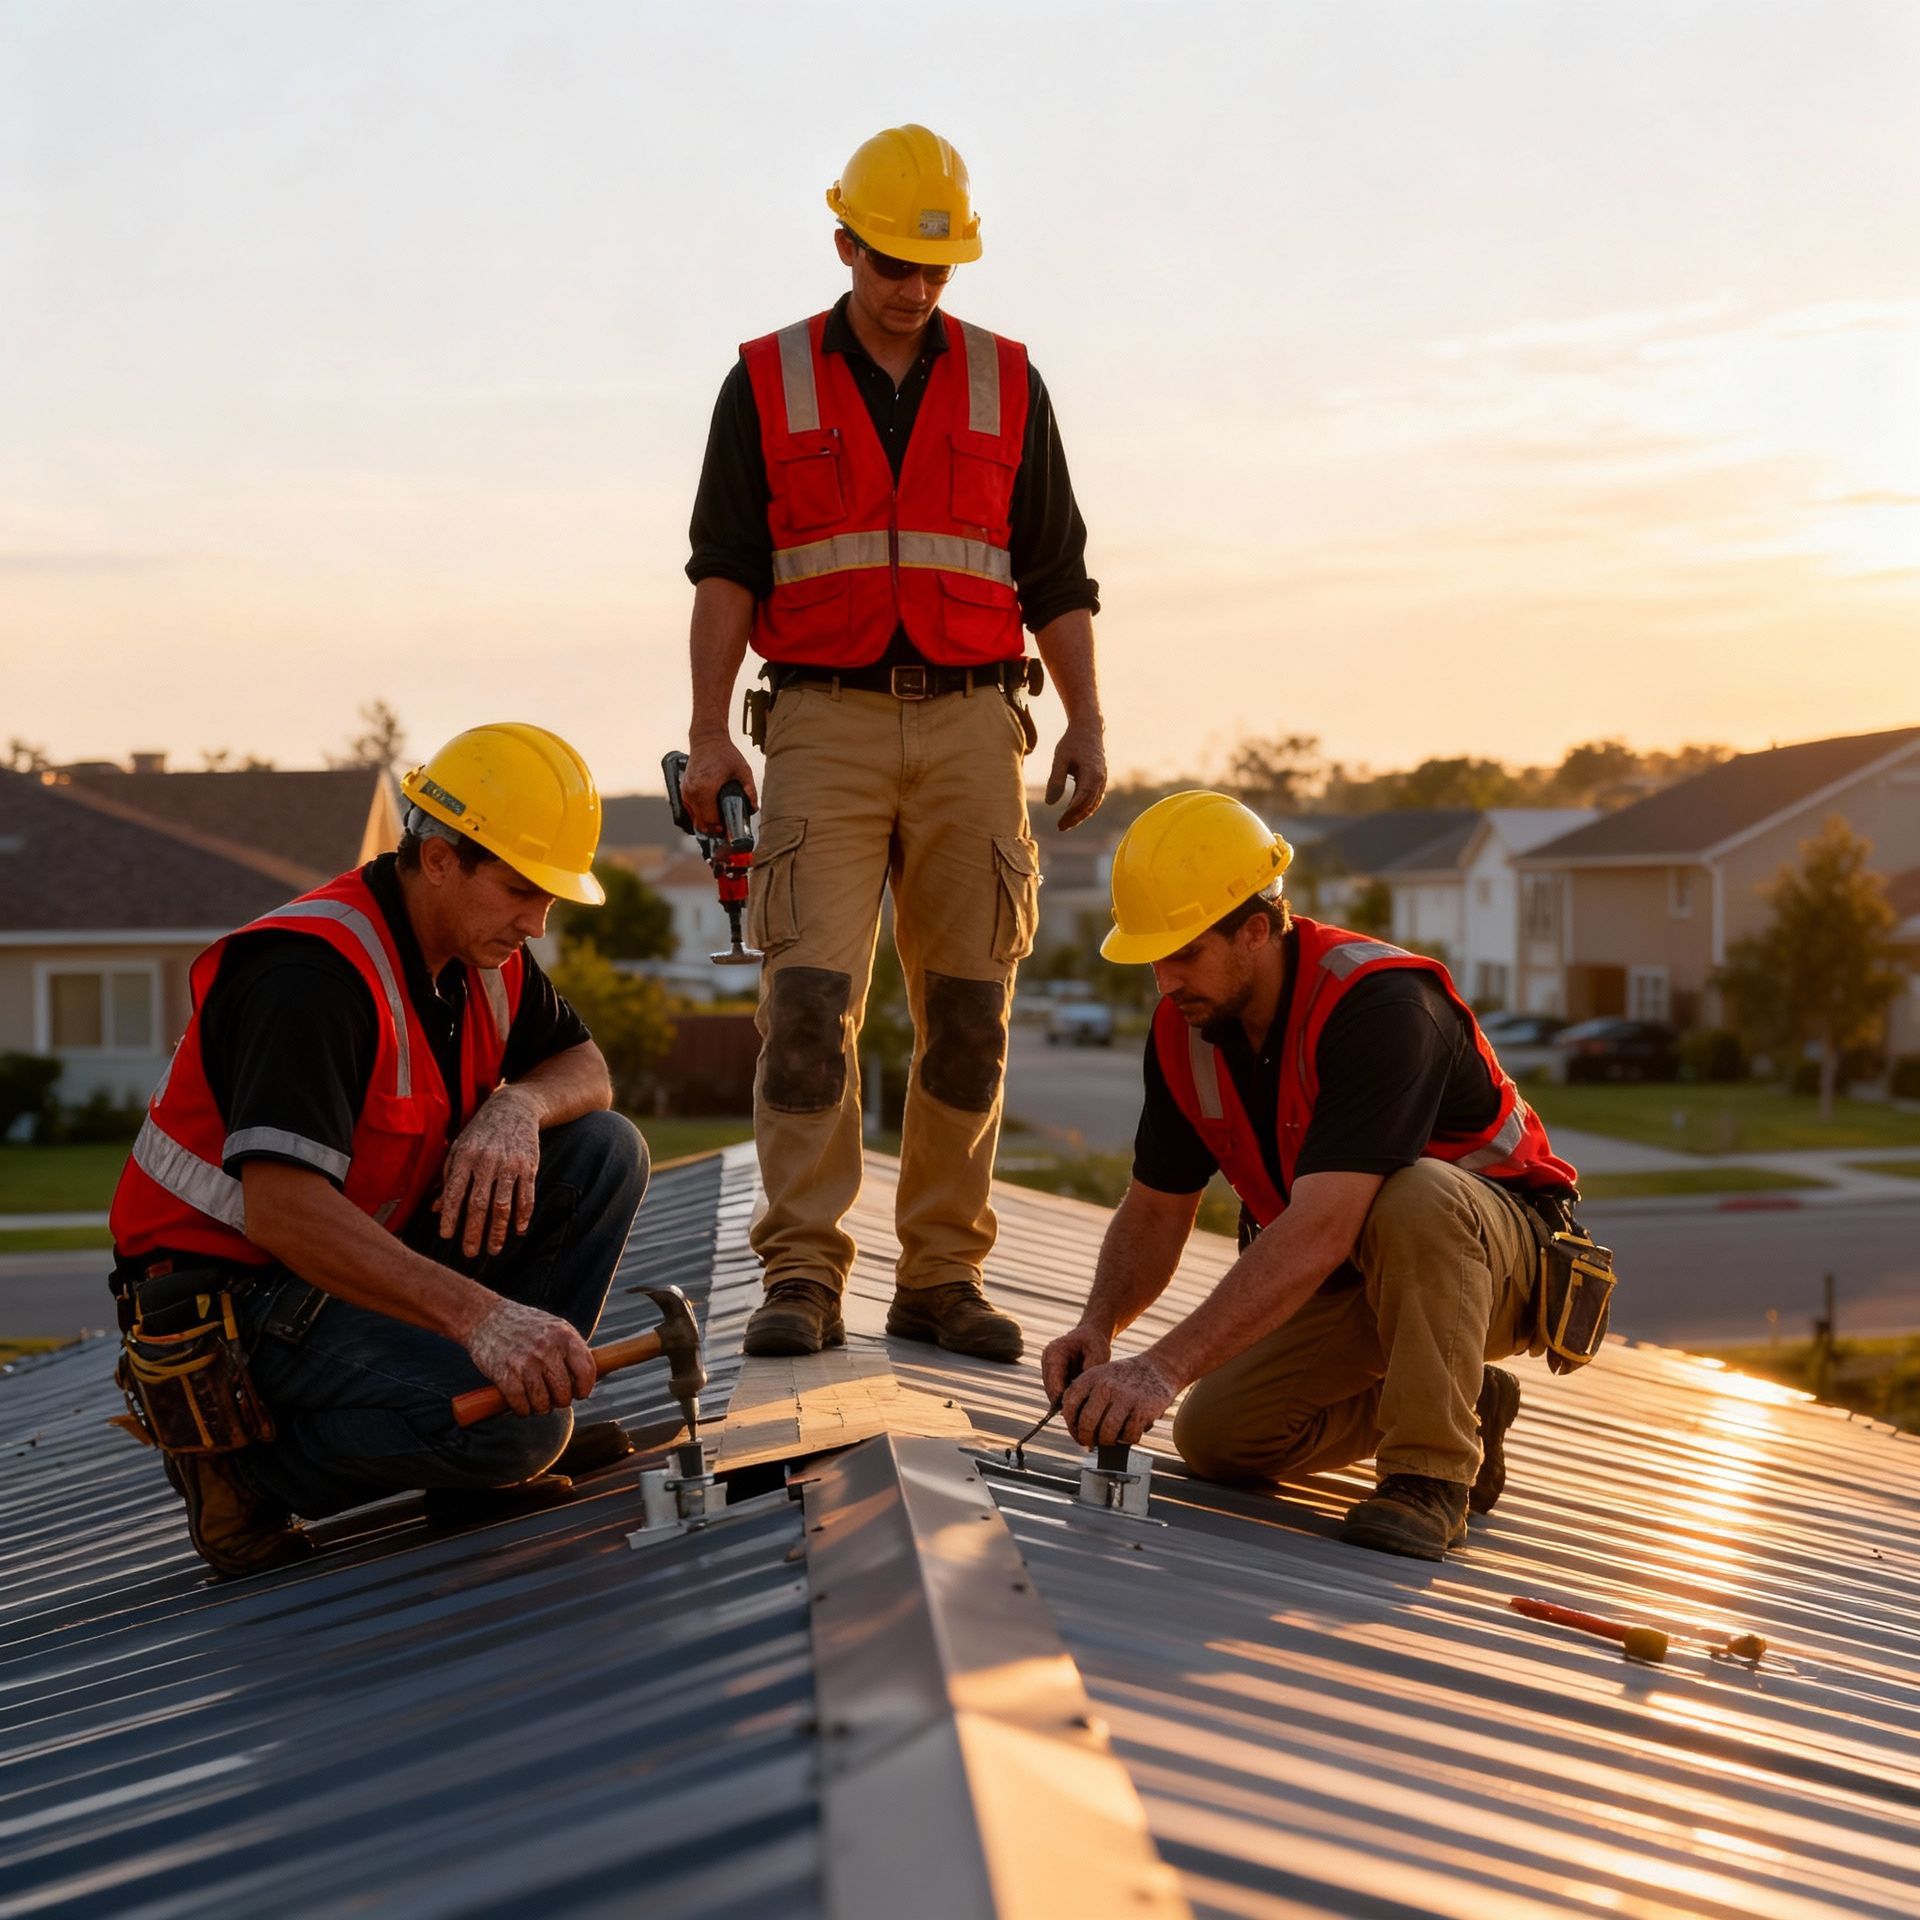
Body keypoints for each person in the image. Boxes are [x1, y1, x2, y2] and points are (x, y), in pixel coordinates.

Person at [679, 123, 1107, 1363]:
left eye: (936, 271)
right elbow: (724, 574)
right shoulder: (764, 381)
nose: (915, 293)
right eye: (892, 268)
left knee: (970, 1011)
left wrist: (1085, 719)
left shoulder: (1008, 380)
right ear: (844, 244)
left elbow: (1058, 570)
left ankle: (941, 1275)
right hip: (821, 722)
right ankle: (803, 1271)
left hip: (980, 721)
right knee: (807, 1005)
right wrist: (709, 735)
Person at [107, 723, 650, 1577]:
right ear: (439, 859)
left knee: (602, 1149)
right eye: (520, 889)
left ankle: (495, 1432)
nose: (537, 922)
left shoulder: (481, 954)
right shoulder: (310, 976)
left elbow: (586, 1068)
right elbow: (285, 1214)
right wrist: (485, 1321)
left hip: (340, 1269)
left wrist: (518, 1106)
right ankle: (242, 1473)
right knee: (522, 1428)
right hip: (234, 1308)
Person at [1042, 791, 1611, 1561]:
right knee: (1218, 1438)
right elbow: (1154, 1209)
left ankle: (1431, 1479)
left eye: (1184, 953)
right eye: (1153, 959)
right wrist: (1099, 1326)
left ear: (1255, 930)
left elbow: (1321, 1227)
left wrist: (1163, 1367)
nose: (1164, 981)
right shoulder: (1191, 1029)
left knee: (1417, 1193)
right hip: (1362, 1273)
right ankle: (1463, 1399)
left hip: (1497, 1256)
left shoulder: (1380, 1006)